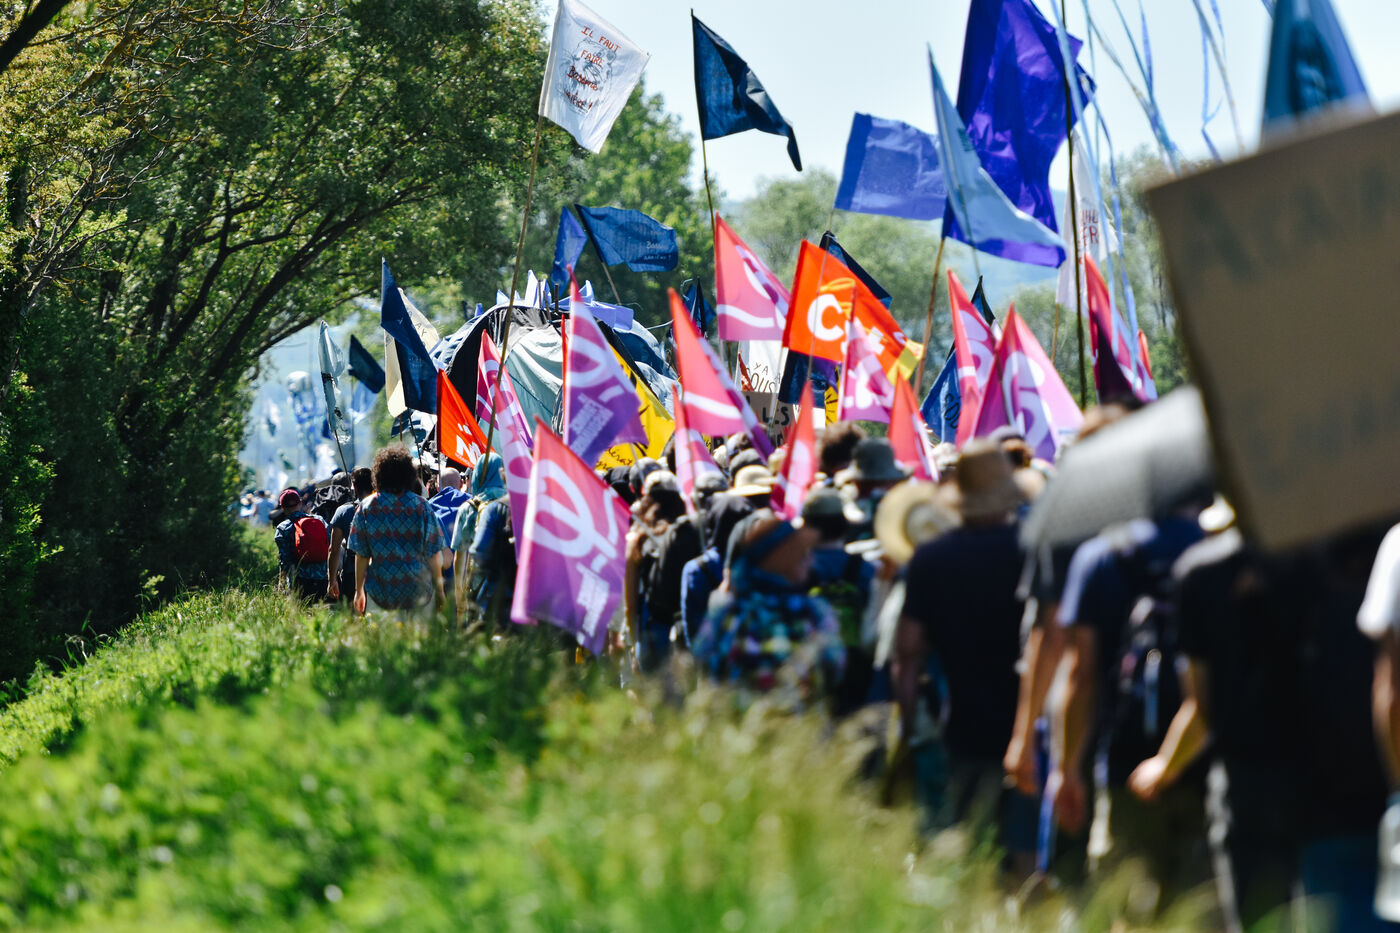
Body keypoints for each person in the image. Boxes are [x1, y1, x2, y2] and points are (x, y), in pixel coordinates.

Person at [1048, 512, 1207, 917]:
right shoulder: (1212, 547)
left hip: (1124, 764)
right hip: (1206, 763)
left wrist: (1067, 769)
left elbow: (1080, 677)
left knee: (1125, 909)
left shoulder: (1099, 558)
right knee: (1199, 911)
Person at [893, 440, 1034, 868]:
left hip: (960, 727)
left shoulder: (930, 559)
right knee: (1027, 859)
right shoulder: (1033, 550)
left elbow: (907, 652)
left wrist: (907, 726)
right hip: (1029, 727)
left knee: (968, 853)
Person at [692, 513, 845, 707]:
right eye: (801, 556)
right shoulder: (814, 610)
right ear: (782, 563)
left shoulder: (725, 608)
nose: (810, 561)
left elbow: (703, 659)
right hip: (798, 719)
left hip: (736, 720)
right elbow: (835, 666)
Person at [801, 488, 875, 716]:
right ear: (845, 526)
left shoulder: (796, 569)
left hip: (808, 664)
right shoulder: (864, 568)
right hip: (856, 662)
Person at [348, 445, 447, 615]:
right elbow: (433, 554)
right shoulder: (422, 506)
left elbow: (362, 555)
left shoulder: (366, 507)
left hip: (380, 594)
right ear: (409, 474)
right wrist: (440, 591)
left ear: (378, 475)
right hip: (419, 592)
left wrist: (359, 591)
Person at [272, 488, 330, 602]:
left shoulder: (283, 528)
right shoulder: (319, 520)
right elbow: (330, 545)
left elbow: (284, 560)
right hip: (322, 576)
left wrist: (281, 584)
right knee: (321, 610)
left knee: (301, 611)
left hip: (299, 579)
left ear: (282, 507)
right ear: (300, 503)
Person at [327, 467, 373, 604]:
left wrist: (332, 580)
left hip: (352, 572)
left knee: (352, 613)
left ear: (354, 487)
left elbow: (334, 549)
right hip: (379, 571)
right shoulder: (384, 509)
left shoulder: (343, 511)